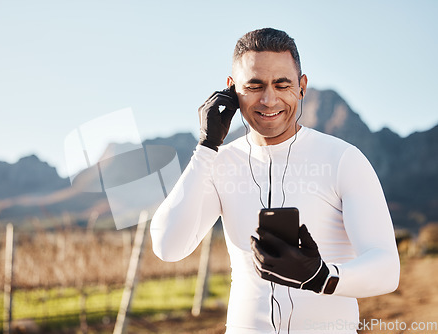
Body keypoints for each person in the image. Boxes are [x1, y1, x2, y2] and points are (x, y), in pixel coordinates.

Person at [150, 28, 400, 334]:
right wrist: (206, 147)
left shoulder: (343, 159)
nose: (269, 100)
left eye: (282, 85)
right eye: (254, 86)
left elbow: (387, 268)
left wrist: (323, 277)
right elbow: (167, 246)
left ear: (302, 87)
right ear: (231, 90)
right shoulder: (218, 162)